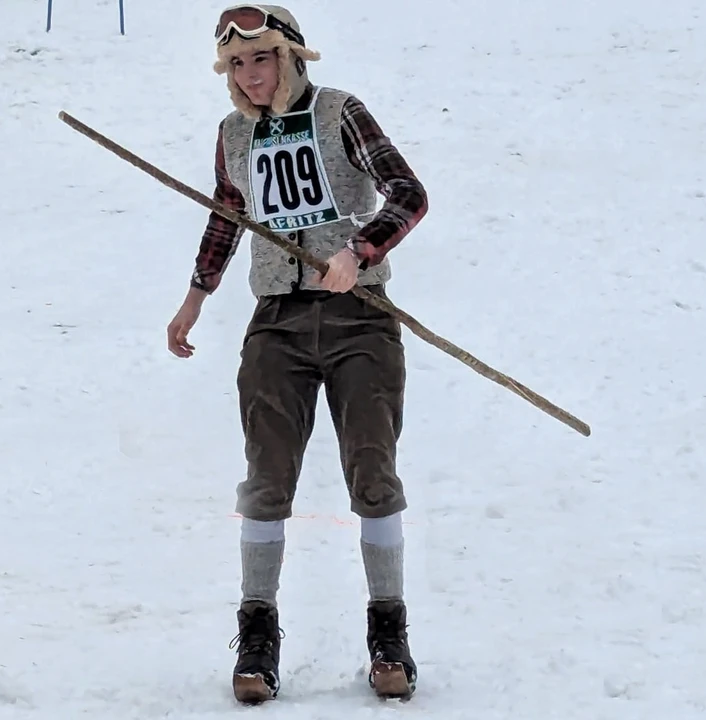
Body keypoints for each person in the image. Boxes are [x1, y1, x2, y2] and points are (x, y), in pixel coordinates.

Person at [165, 3, 429, 705]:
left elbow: (408, 193)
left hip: (360, 319)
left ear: (291, 57)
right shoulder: (234, 134)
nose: (251, 75)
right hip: (277, 323)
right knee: (266, 478)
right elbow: (227, 215)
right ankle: (257, 635)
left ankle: (389, 634)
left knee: (373, 472)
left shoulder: (341, 112)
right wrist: (196, 297)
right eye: (237, 64)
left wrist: (359, 251)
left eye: (263, 58)